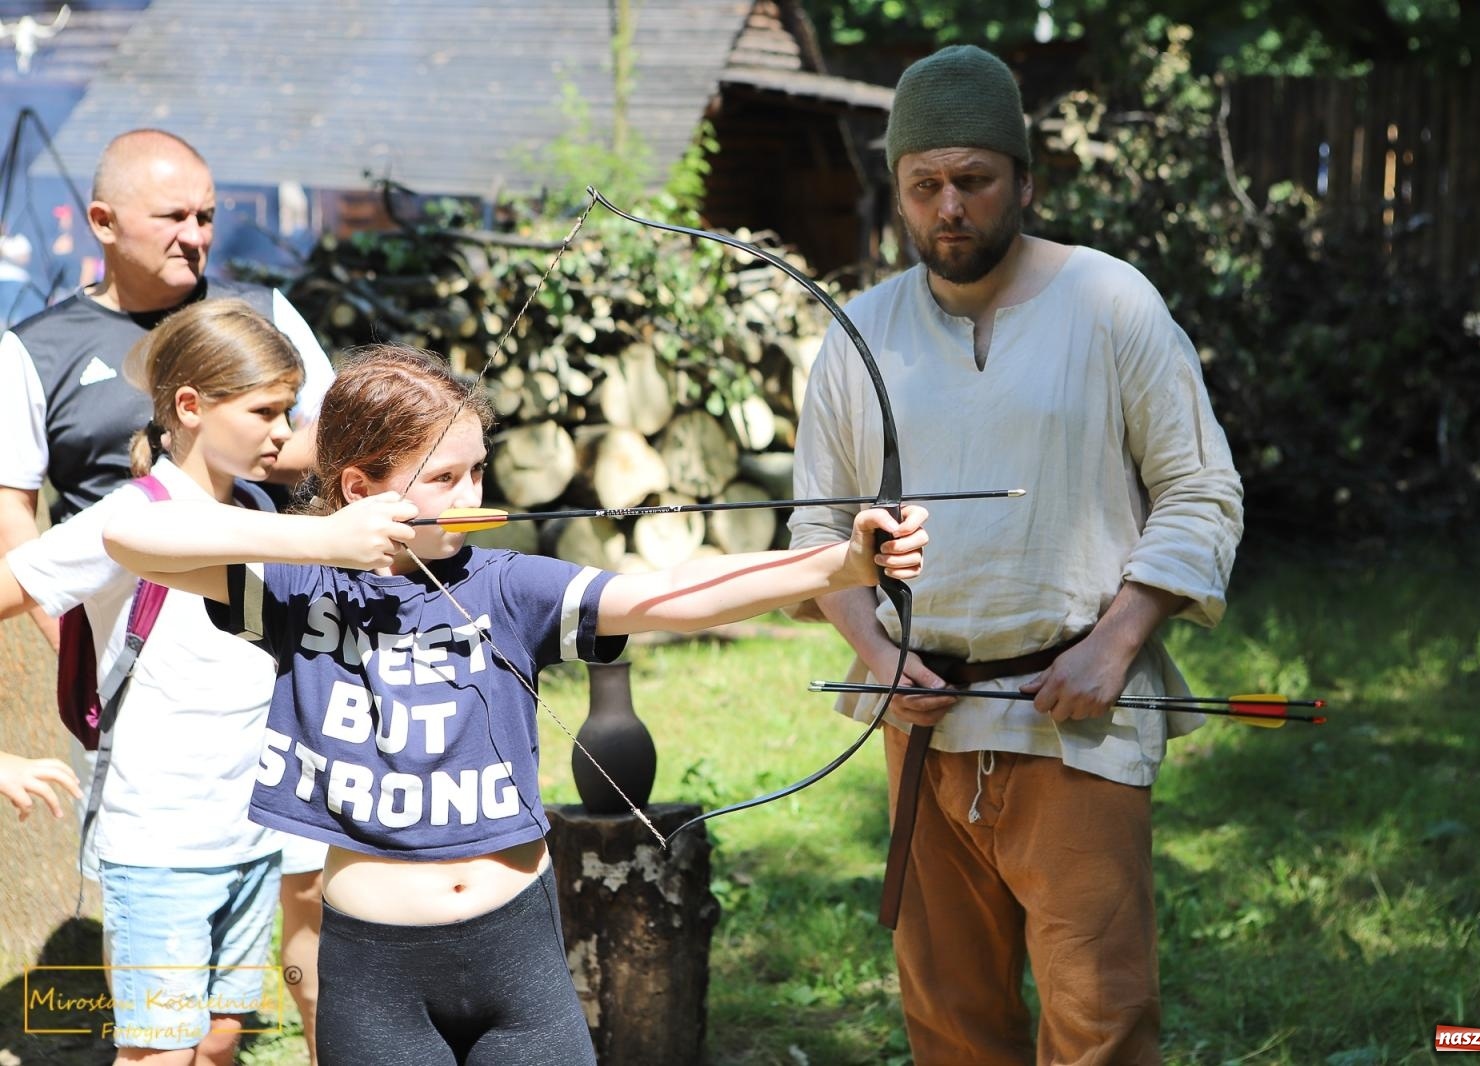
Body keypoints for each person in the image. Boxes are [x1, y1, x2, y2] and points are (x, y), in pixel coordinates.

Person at [101, 345, 930, 1066]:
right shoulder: (298, 583)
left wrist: (842, 567)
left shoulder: (508, 586)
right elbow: (128, 540)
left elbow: (670, 594)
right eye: (445, 477)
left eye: (479, 467)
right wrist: (320, 537)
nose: (476, 490)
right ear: (362, 487)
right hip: (374, 968)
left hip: (516, 949)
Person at [787, 45, 1245, 1065]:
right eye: (925, 185)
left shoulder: (1111, 303)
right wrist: (874, 654)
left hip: (1074, 715)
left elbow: (1200, 489)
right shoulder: (859, 334)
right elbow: (816, 533)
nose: (949, 206)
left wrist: (1113, 648)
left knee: (1099, 1020)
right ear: (900, 193)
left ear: (1024, 181)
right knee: (951, 1021)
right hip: (920, 725)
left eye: (973, 179)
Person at [0, 129, 332, 1059]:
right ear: (102, 223)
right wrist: (74, 633)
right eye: (172, 216)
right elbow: (24, 518)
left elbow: (333, 444)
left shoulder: (260, 310)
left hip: (257, 757)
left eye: (208, 216)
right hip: (151, 744)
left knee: (223, 1031)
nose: (197, 234)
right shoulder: (39, 354)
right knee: (160, 1043)